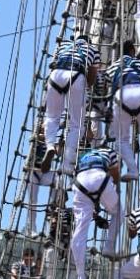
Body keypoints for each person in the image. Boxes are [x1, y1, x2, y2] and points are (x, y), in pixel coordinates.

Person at [43, 34, 100, 174]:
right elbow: (92, 76)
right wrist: (84, 88)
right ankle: (67, 164)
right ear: (89, 42)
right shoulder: (92, 50)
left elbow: (52, 64)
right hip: (76, 75)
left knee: (52, 117)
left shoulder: (63, 45)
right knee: (77, 124)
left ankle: (50, 145)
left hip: (56, 75)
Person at [69, 145, 121, 279]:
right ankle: (109, 247)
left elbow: (80, 179)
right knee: (118, 212)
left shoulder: (83, 157)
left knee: (79, 231)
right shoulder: (110, 152)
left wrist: (95, 209)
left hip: (80, 183)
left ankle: (80, 278)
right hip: (100, 178)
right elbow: (116, 176)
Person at [107, 39, 140, 175]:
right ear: (132, 51)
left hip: (121, 97)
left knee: (121, 140)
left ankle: (133, 170)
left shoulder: (113, 67)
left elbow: (108, 88)